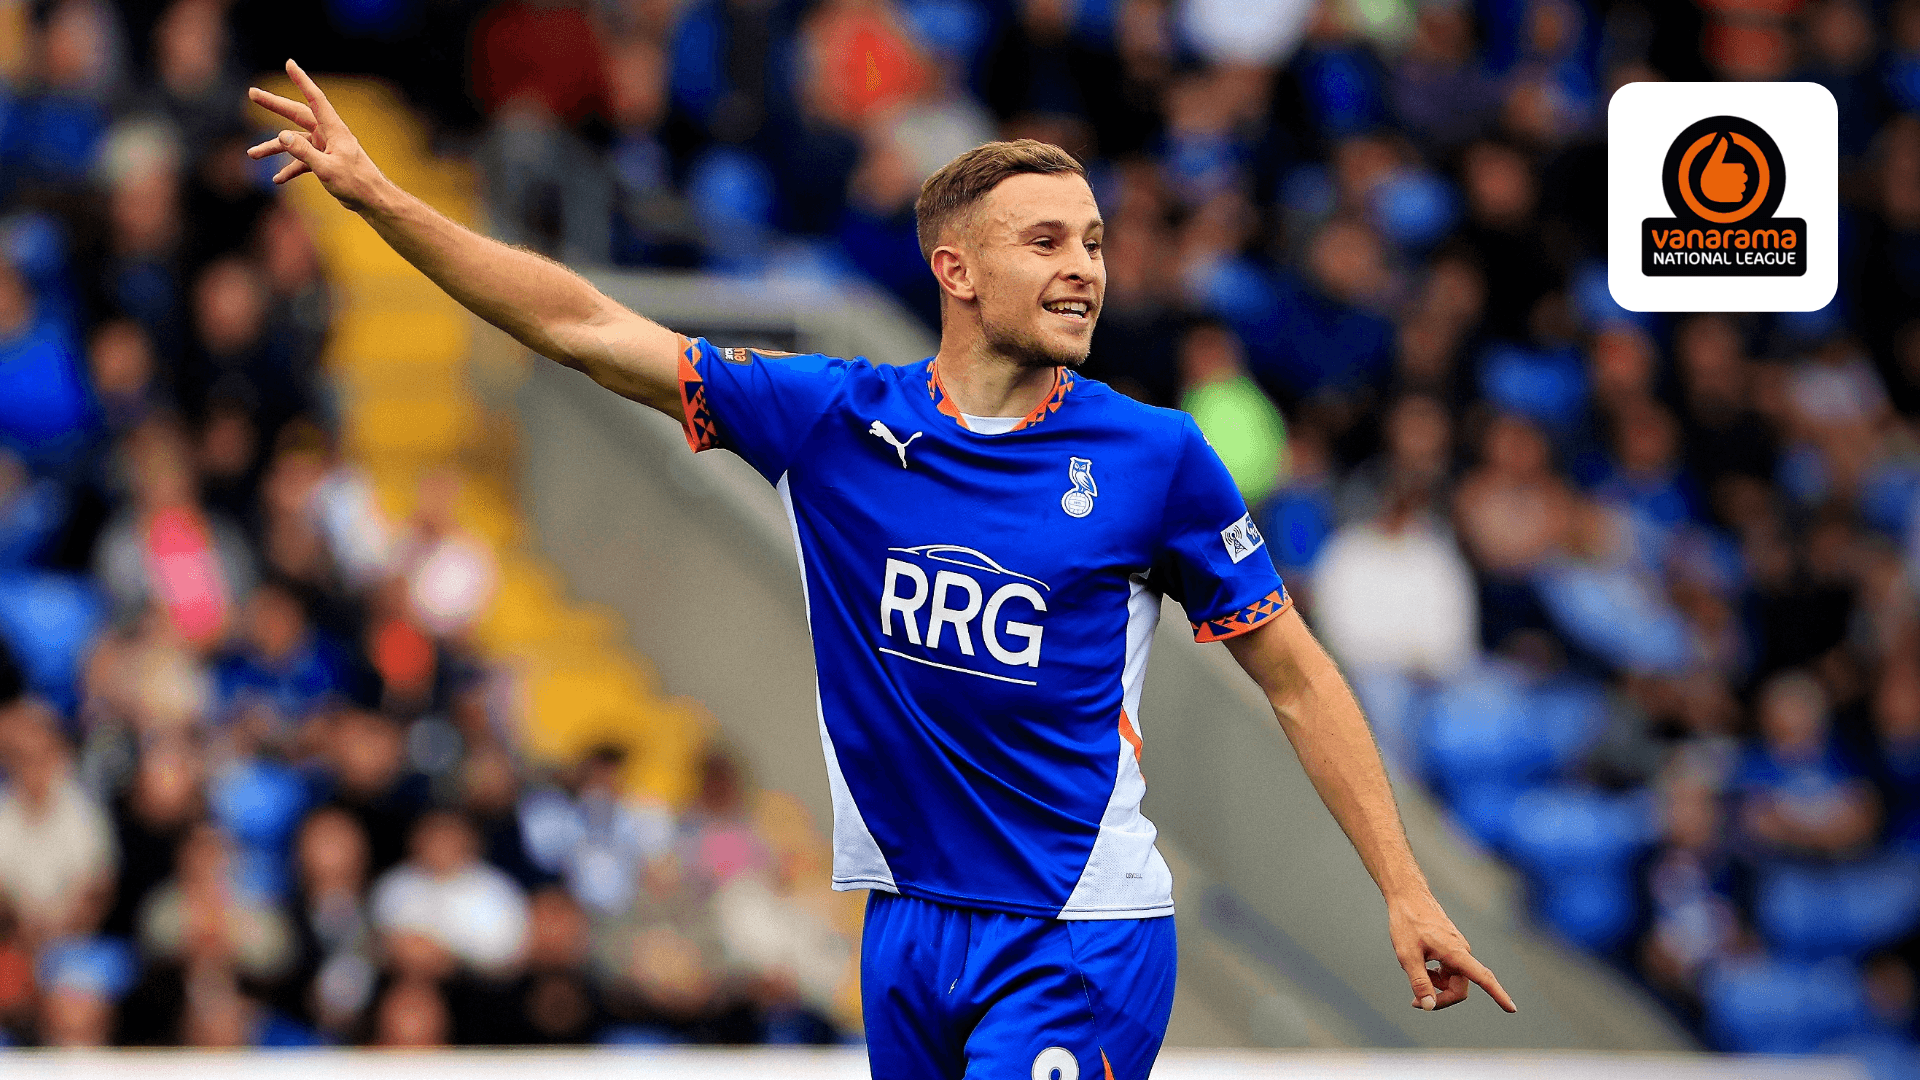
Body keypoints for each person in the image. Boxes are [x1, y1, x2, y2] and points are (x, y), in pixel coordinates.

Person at [246, 61, 1516, 1077]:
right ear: (955, 270)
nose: (1084, 267)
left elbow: (1294, 677)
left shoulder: (1156, 458)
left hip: (1076, 937)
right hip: (903, 926)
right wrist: (383, 200)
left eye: (1092, 241)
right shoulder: (832, 422)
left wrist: (1403, 889)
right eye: (1045, 241)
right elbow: (582, 325)